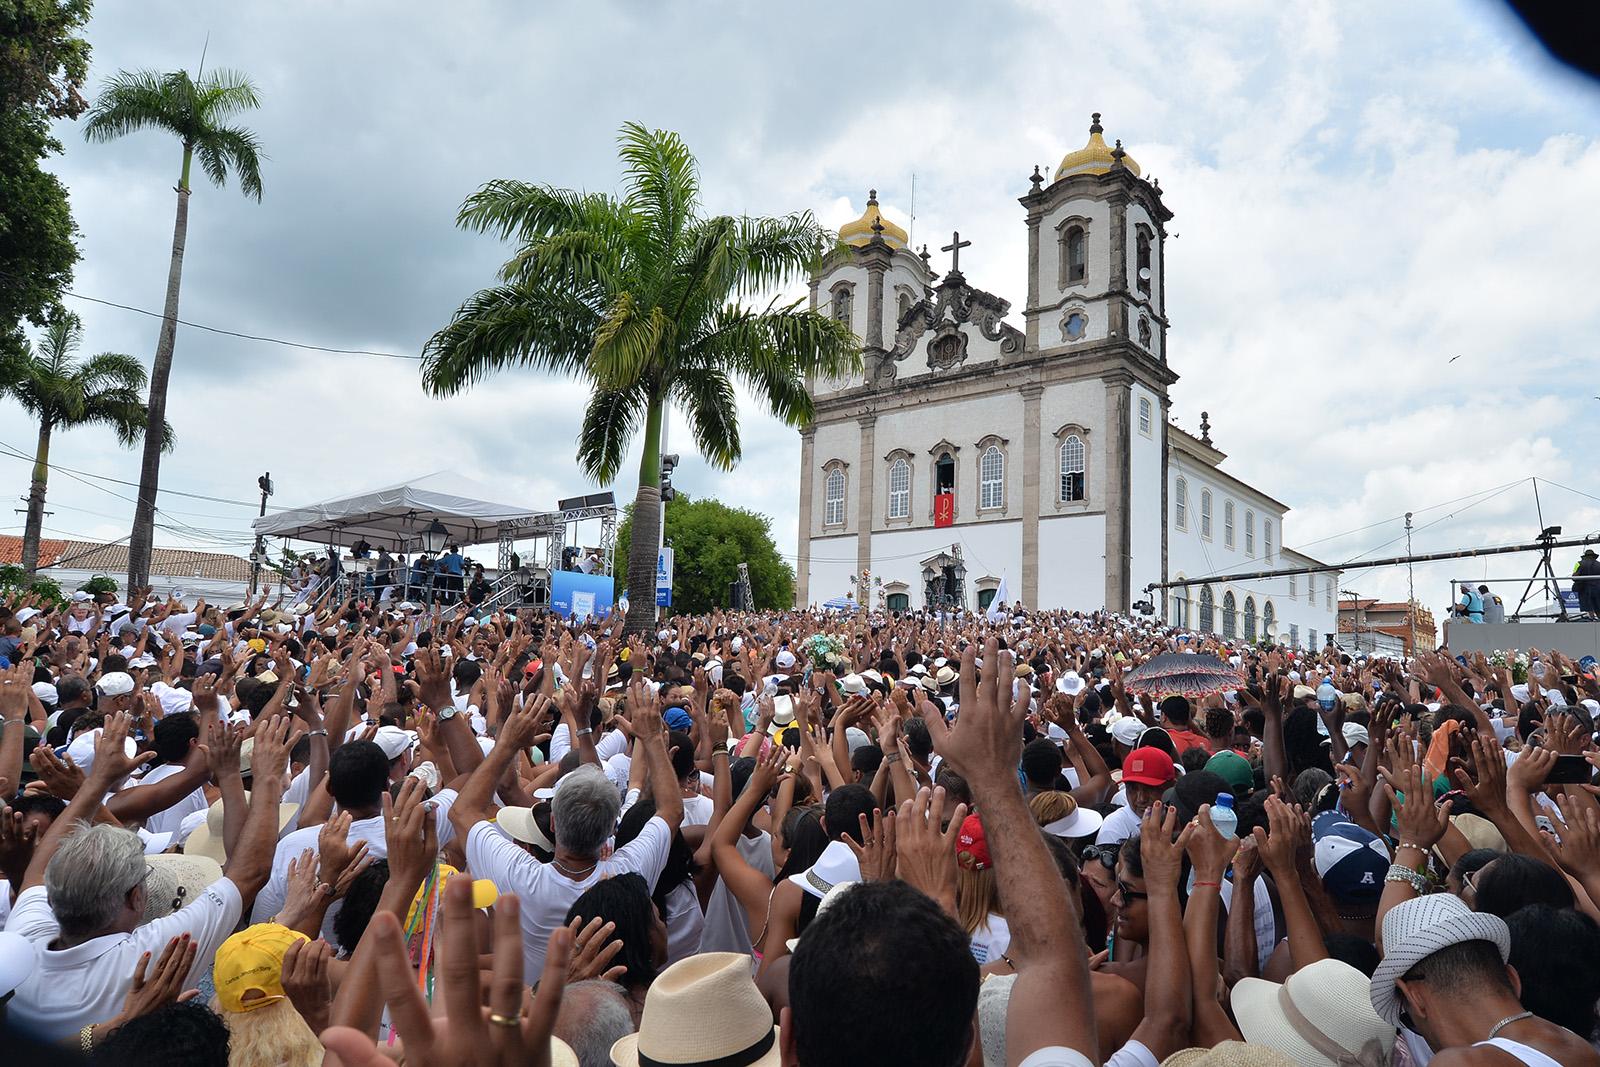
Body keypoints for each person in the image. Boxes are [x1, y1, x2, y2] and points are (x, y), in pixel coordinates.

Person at [1371, 893, 1600, 1066]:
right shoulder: (1577, 1046)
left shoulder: (1460, 1063)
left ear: (1415, 996)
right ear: (1512, 979)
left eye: (1408, 1019)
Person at [1575, 549, 1600, 619]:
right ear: (1594, 557)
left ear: (1585, 556)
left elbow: (1574, 577)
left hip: (1584, 588)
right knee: (1598, 605)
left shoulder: (1578, 563)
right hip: (1598, 588)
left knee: (1588, 606)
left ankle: (1592, 618)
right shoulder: (1599, 564)